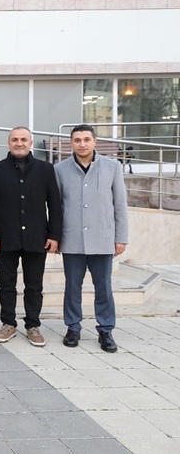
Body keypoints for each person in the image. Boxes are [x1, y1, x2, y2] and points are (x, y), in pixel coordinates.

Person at [0, 126, 62, 347]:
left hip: (37, 238)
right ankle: (8, 323)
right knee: (6, 284)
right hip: (5, 238)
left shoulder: (46, 169)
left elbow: (55, 205)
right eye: (15, 139)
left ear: (30, 143)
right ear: (8, 143)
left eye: (24, 139)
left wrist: (54, 235)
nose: (19, 143)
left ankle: (33, 325)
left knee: (34, 286)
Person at [55, 124, 128, 353]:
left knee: (103, 287)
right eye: (77, 140)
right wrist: (55, 237)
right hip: (72, 239)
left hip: (102, 238)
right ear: (71, 143)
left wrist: (121, 237)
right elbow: (56, 208)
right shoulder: (60, 170)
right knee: (72, 287)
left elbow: (120, 205)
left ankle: (105, 330)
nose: (82, 144)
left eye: (87, 139)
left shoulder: (112, 167)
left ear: (95, 141)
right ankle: (73, 327)